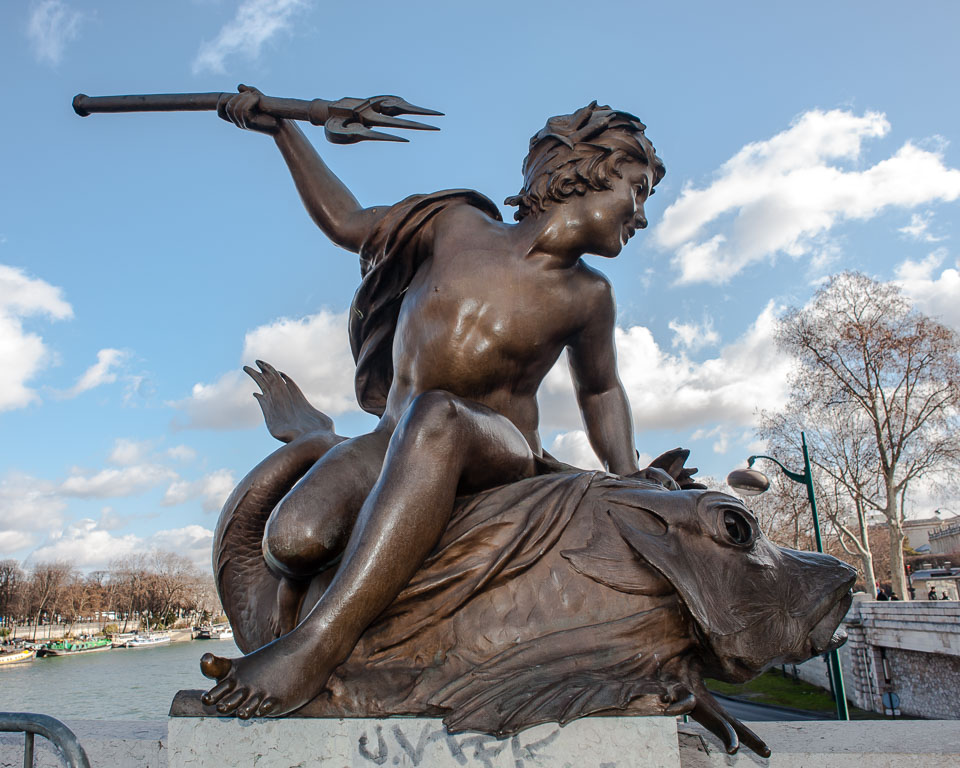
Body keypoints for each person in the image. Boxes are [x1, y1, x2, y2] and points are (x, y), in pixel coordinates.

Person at [199, 87, 667, 718]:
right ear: (582, 173)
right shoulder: (454, 226)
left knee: (437, 415)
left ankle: (315, 646)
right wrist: (282, 131)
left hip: (498, 448)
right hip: (393, 434)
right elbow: (347, 222)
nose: (640, 216)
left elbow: (601, 389)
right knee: (293, 540)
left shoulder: (589, 296)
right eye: (635, 191)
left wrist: (629, 477)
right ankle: (323, 441)